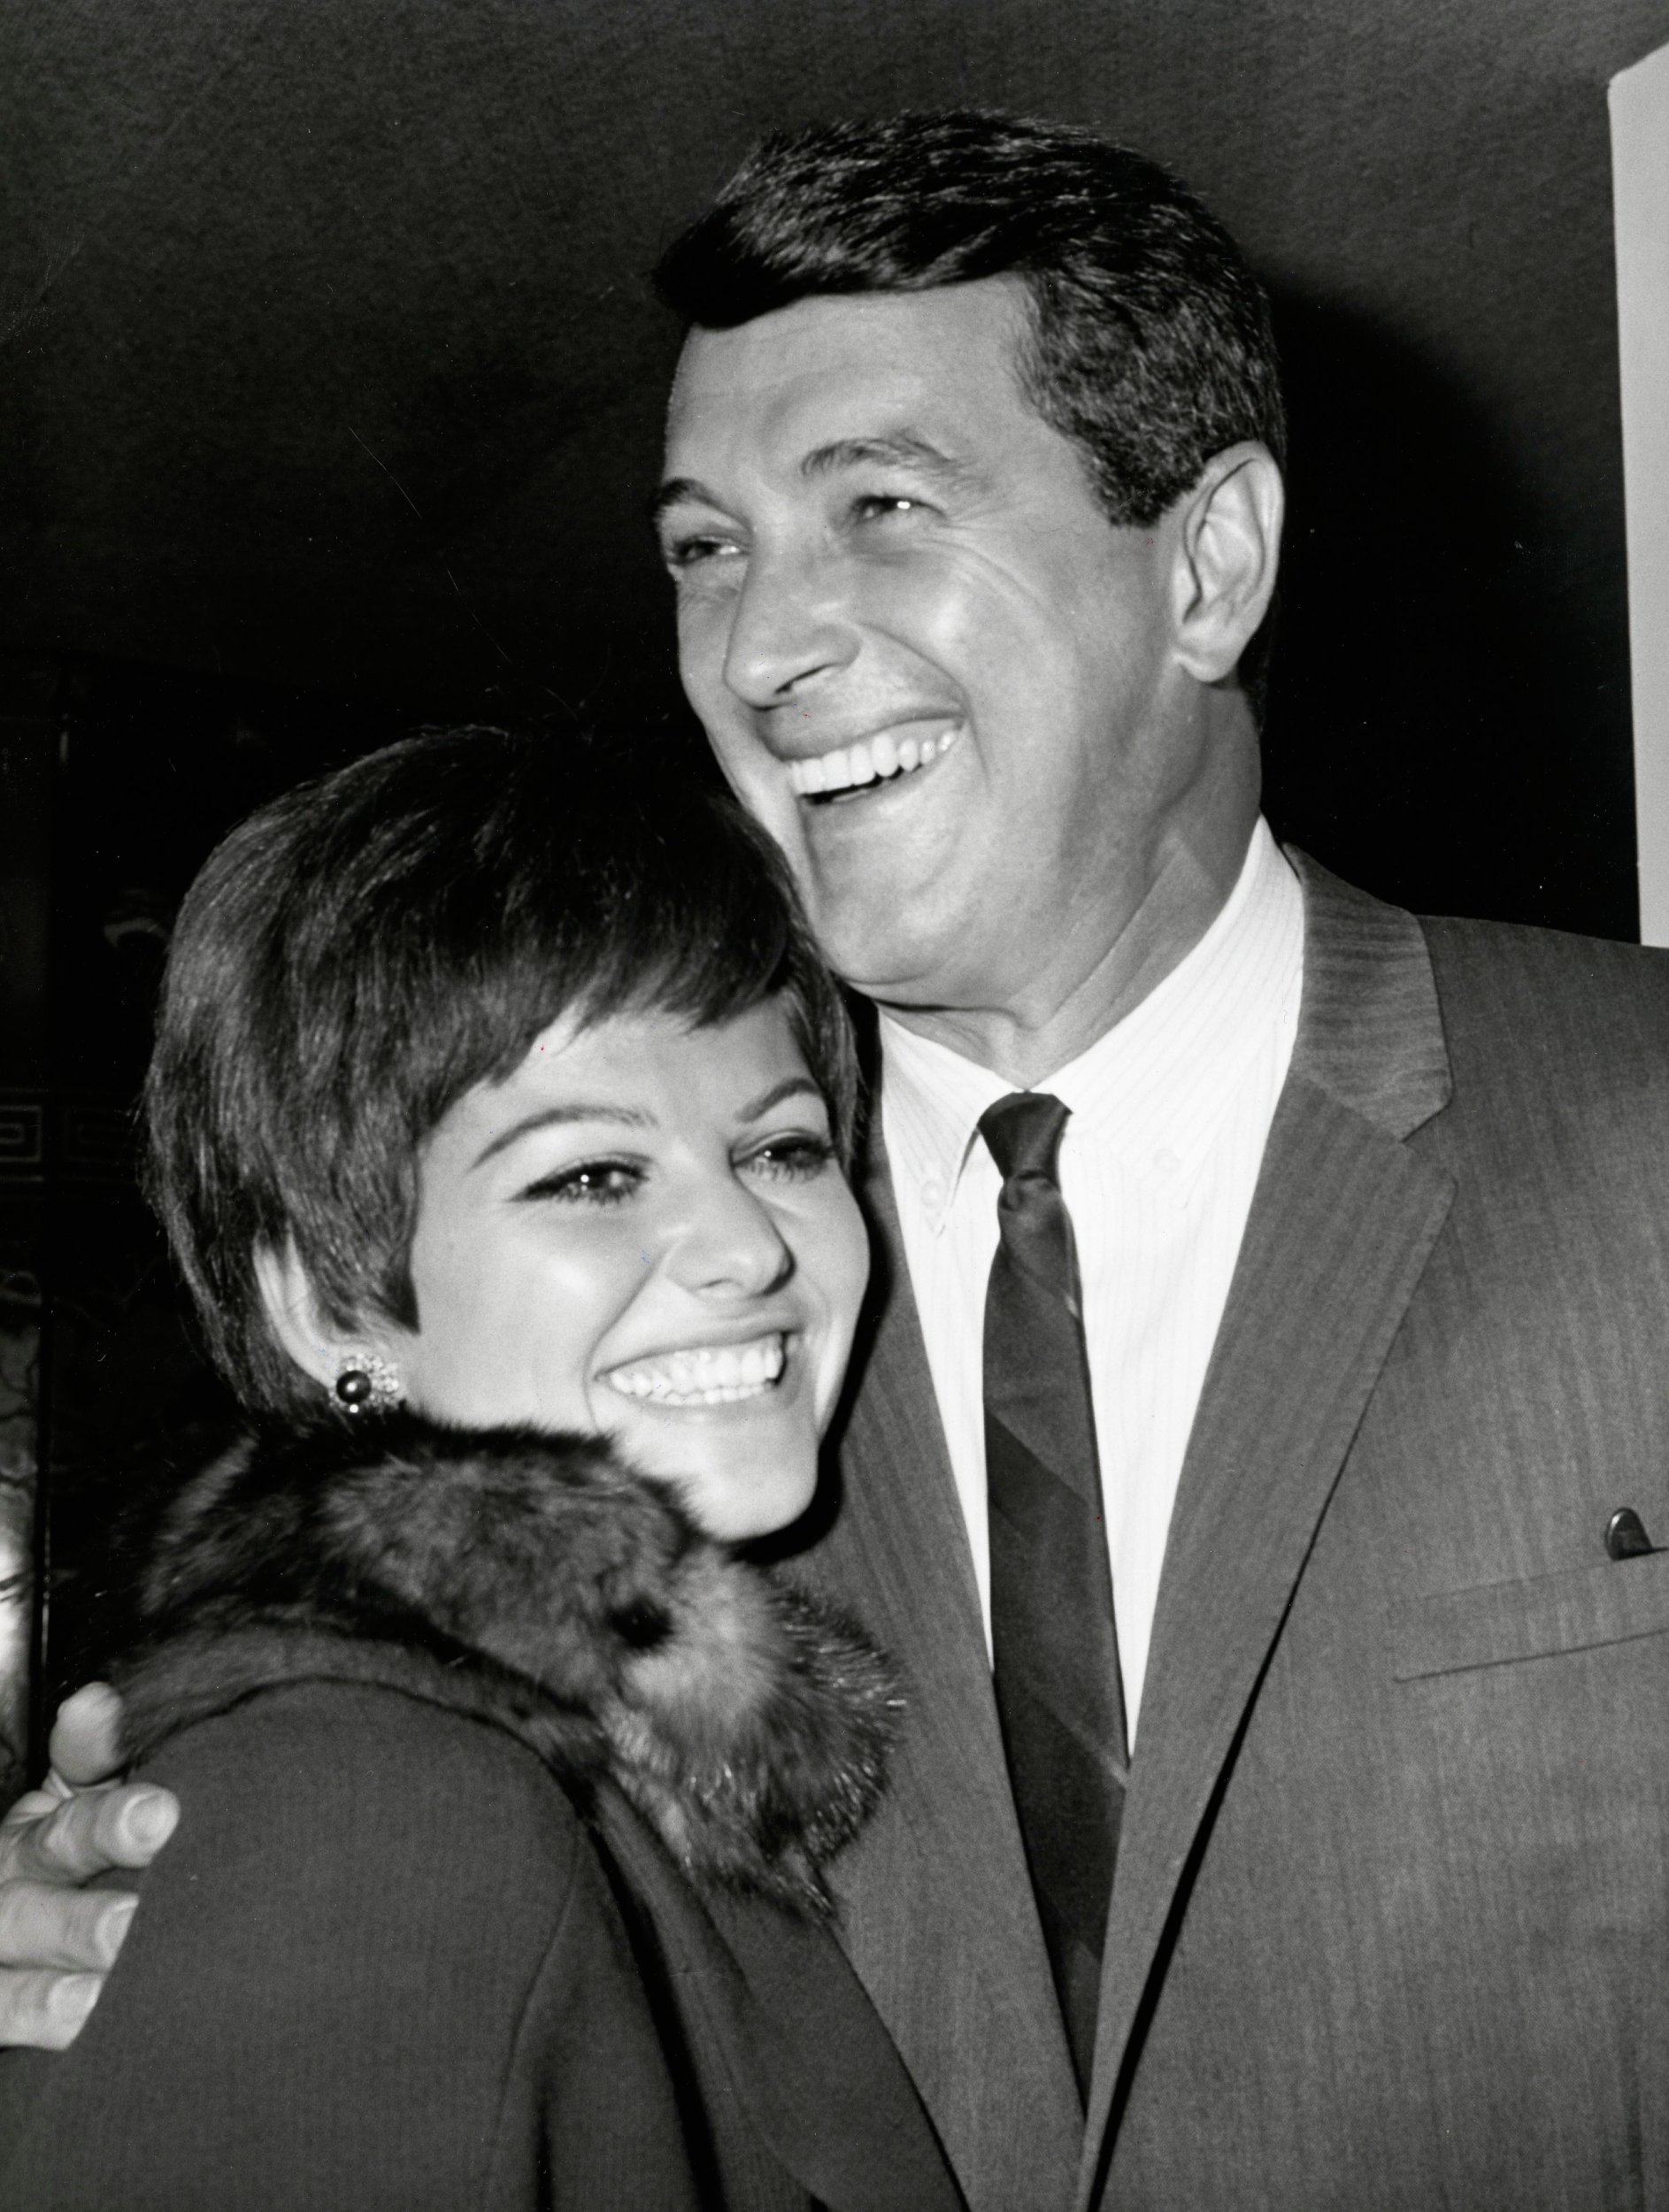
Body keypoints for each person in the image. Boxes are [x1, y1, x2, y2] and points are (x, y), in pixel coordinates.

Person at [11, 107, 1669, 2210]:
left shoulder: (1635, 1119)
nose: (757, 646)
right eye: (704, 548)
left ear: (1208, 562)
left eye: (877, 504)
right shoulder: (641, 1339)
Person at [0, 726, 963, 2210]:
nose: (750, 1247)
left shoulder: (644, 1716)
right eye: (592, 1175)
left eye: (781, 1149)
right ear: (331, 1306)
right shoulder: (360, 1803)